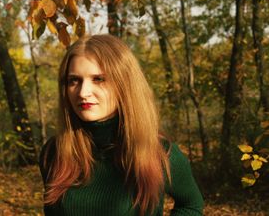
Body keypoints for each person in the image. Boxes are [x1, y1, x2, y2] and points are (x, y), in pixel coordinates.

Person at [39, 34, 204, 216]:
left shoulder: (160, 153)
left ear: (124, 83)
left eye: (98, 79)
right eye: (74, 80)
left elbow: (191, 205)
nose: (83, 92)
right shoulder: (54, 152)